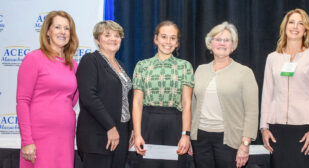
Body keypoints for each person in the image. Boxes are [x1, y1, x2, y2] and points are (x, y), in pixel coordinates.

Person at [260, 8, 309, 168]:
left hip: (306, 130)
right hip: (278, 131)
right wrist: (264, 127)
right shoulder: (272, 58)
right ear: (285, 27)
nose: (295, 26)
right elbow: (267, 94)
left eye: (300, 23)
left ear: (306, 30)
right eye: (291, 22)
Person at [190, 21, 259, 168]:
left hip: (229, 140)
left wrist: (245, 144)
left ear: (233, 45)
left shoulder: (244, 73)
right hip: (200, 138)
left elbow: (252, 113)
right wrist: (190, 136)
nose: (222, 43)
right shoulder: (200, 70)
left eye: (226, 40)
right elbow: (193, 106)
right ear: (210, 43)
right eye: (218, 39)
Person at [16, 10, 79, 168]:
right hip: (39, 137)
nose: (62, 32)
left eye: (66, 28)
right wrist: (27, 141)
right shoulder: (33, 59)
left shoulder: (73, 65)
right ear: (48, 31)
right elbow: (23, 101)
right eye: (57, 27)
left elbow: (72, 100)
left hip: (65, 136)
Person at [132, 20, 194, 168]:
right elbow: (137, 103)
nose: (168, 42)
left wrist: (185, 134)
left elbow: (187, 104)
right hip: (148, 125)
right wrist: (137, 134)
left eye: (173, 38)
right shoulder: (142, 66)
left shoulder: (185, 66)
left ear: (177, 42)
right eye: (164, 36)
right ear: (156, 39)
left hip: (175, 125)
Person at [76, 21, 132, 168]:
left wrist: (130, 128)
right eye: (107, 35)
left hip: (121, 132)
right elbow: (88, 97)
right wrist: (110, 127)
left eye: (117, 35)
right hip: (99, 133)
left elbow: (126, 99)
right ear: (97, 40)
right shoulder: (90, 60)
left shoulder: (121, 66)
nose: (113, 38)